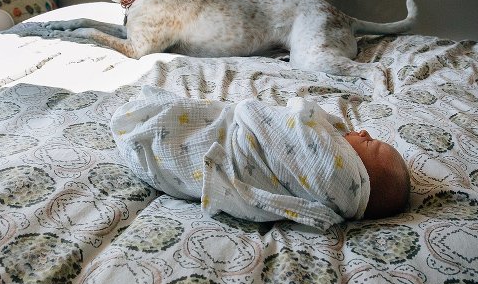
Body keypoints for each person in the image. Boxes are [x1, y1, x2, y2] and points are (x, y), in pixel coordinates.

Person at [111, 86, 410, 230]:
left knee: (184, 129)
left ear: (360, 176)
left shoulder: (335, 171)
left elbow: (255, 114)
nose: (365, 132)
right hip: (237, 156)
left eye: (370, 145)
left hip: (232, 147)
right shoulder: (329, 191)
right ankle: (148, 140)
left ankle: (147, 134)